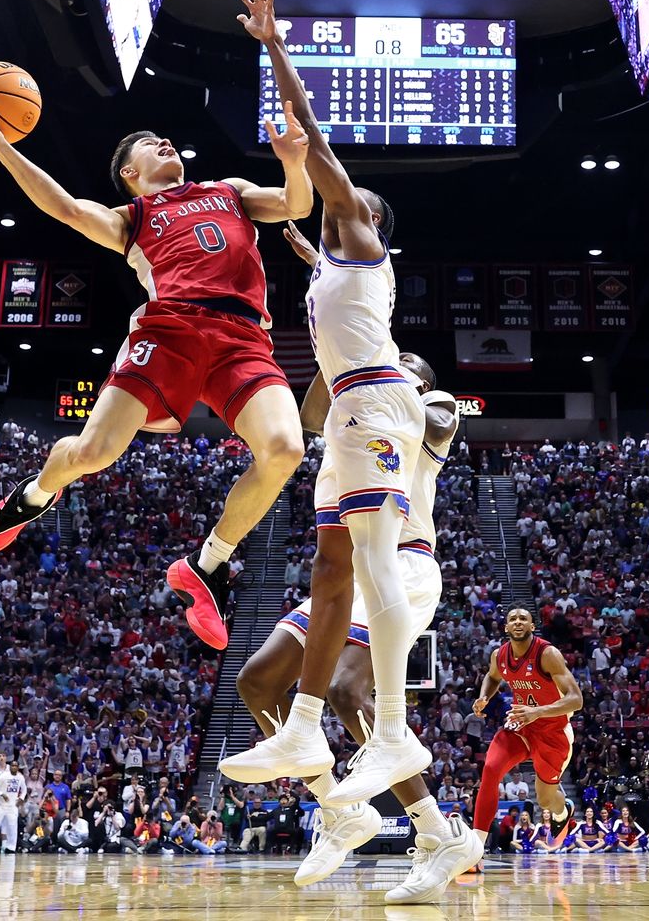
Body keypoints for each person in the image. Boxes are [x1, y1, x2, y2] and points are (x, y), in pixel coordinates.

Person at [0, 65, 314, 653]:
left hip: (243, 337)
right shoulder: (133, 218)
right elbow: (65, 207)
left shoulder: (229, 191)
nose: (165, 141)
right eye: (150, 144)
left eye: (166, 139)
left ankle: (208, 565)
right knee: (93, 453)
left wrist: (294, 161)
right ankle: (34, 496)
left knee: (286, 448)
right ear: (131, 174)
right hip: (170, 330)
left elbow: (297, 202)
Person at [217, 0, 430, 818]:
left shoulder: (363, 234)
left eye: (354, 201)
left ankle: (394, 733)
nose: (348, 199)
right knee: (331, 564)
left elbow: (314, 135)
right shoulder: (336, 265)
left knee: (372, 560)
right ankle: (307, 729)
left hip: (379, 401)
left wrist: (273, 44)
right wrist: (303, 245)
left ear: (368, 218)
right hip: (349, 406)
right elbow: (318, 267)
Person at [224, 238, 472, 897]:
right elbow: (310, 415)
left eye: (408, 366)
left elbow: (439, 415)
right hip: (353, 567)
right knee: (256, 681)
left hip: (404, 565)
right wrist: (335, 358)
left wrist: (395, 375)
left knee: (347, 691)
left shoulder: (431, 408)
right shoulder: (350, 404)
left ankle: (435, 831)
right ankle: (341, 807)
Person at [468, 609, 586, 858]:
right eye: (513, 619)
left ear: (533, 626)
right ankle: (475, 847)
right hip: (521, 724)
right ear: (506, 628)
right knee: (490, 769)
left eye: (523, 619)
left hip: (553, 732)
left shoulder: (548, 654)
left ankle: (563, 811)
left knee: (545, 801)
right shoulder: (499, 655)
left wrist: (538, 712)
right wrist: (483, 697)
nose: (518, 622)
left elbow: (576, 700)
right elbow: (492, 677)